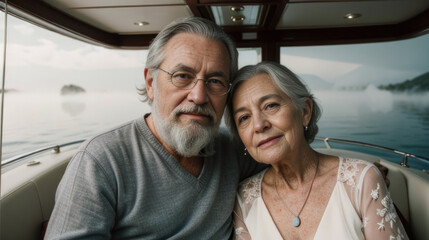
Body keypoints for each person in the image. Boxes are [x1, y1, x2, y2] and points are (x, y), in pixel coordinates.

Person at [44, 17, 265, 239]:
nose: (199, 96)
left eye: (215, 81)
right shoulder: (100, 160)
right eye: (182, 76)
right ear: (151, 83)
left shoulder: (236, 150)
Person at [224, 62, 408, 239]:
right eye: (244, 117)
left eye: (271, 105)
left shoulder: (361, 180)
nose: (258, 125)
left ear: (305, 111)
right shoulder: (244, 198)